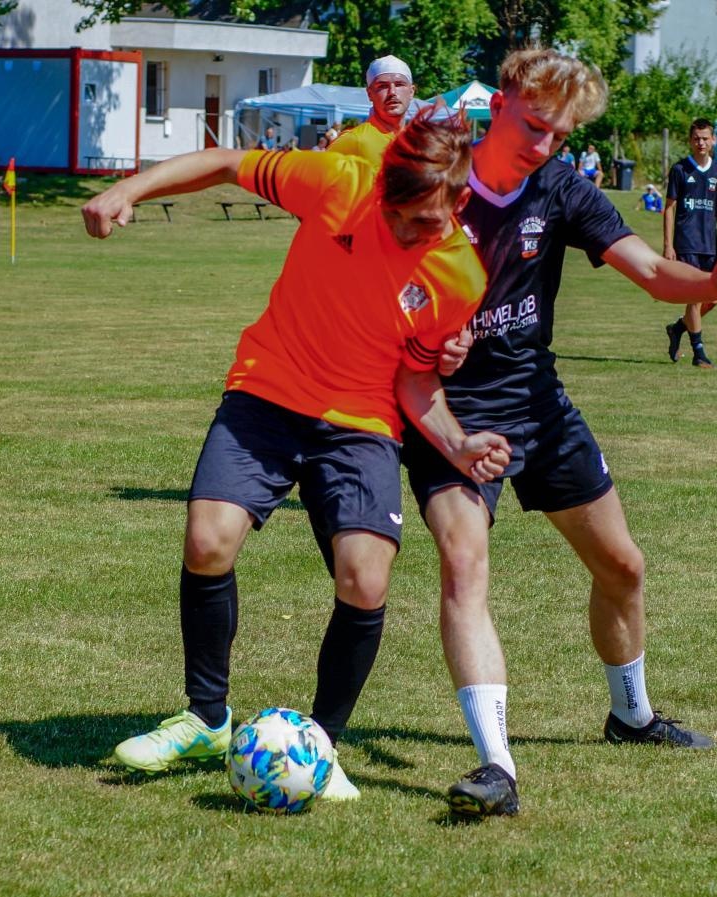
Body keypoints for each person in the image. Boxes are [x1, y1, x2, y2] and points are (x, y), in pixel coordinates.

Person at [83, 112, 512, 800]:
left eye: (422, 223)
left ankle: (322, 743)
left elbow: (414, 375)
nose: (404, 232)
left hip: (363, 417)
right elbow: (227, 163)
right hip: (270, 386)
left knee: (365, 578)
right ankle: (206, 717)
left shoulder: (460, 278)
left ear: (459, 203)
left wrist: (457, 442)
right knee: (207, 538)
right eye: (396, 216)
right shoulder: (339, 182)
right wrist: (128, 190)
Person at [405, 49, 717, 818]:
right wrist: (423, 342)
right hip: (448, 410)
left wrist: (711, 286)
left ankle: (630, 714)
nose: (544, 144)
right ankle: (496, 766)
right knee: (464, 566)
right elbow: (372, 277)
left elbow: (649, 269)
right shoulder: (435, 179)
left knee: (624, 566)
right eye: (535, 126)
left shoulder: (561, 187)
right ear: (499, 103)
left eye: (560, 135)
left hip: (538, 401)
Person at [662, 119, 717, 368]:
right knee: (694, 297)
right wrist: (668, 245)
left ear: (713, 140)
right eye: (696, 138)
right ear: (690, 141)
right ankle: (699, 352)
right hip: (686, 243)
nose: (701, 142)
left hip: (709, 244)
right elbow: (669, 208)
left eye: (705, 138)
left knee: (714, 297)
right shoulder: (680, 170)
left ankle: (678, 328)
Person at [328, 55, 416, 165]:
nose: (392, 92)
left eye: (399, 84)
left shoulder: (419, 143)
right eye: (383, 86)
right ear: (370, 93)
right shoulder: (354, 141)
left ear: (411, 92)